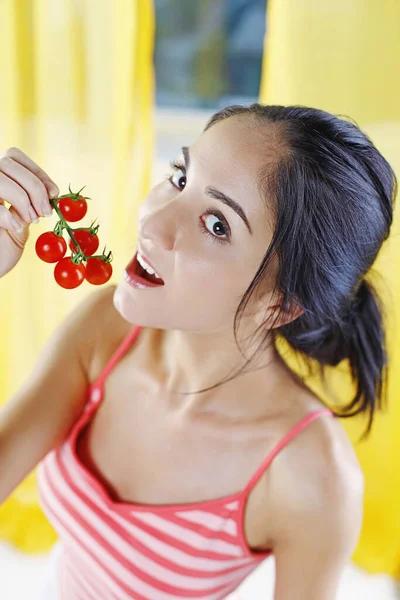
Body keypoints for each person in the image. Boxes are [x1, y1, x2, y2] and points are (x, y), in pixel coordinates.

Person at [0, 103, 396, 600]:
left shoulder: (311, 474)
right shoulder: (109, 328)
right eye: (181, 176)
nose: (153, 225)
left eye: (217, 224)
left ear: (282, 303)